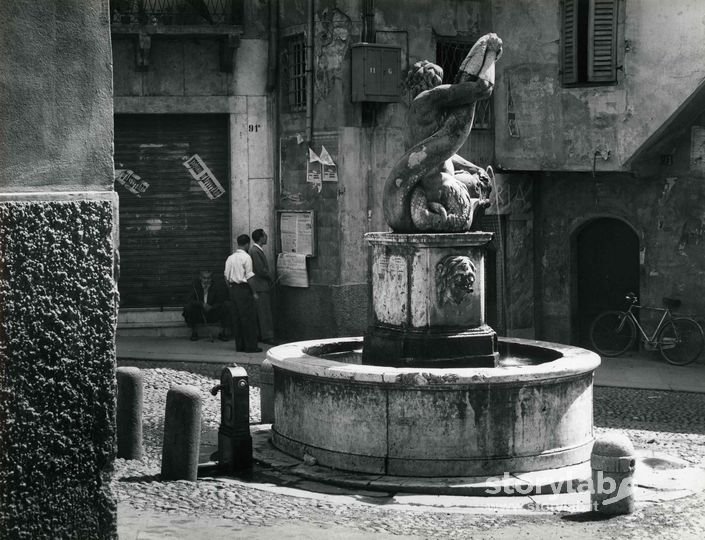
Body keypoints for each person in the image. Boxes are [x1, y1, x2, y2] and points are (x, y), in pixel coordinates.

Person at [224, 234, 262, 353]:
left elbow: (226, 276)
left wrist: (231, 289)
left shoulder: (230, 258)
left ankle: (239, 346)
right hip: (244, 289)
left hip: (233, 289)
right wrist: (254, 292)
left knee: (237, 319)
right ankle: (250, 346)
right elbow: (250, 276)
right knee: (248, 319)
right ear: (247, 244)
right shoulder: (246, 257)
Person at [182, 270, 231, 341]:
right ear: (200, 278)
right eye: (204, 278)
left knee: (227, 305)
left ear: (211, 279)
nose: (206, 280)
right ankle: (194, 332)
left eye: (208, 278)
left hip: (213, 312)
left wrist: (212, 307)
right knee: (188, 307)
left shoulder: (217, 287)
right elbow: (189, 300)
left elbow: (221, 300)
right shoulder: (195, 286)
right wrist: (201, 304)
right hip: (200, 313)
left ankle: (223, 333)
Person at [249, 229, 275, 345]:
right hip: (260, 286)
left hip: (261, 285)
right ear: (260, 237)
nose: (266, 237)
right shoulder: (255, 251)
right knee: (264, 313)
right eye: (265, 235)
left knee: (261, 312)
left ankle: (261, 334)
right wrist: (270, 276)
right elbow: (260, 270)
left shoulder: (257, 250)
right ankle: (267, 336)